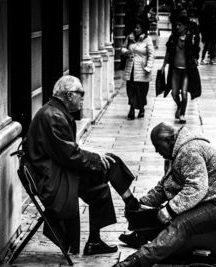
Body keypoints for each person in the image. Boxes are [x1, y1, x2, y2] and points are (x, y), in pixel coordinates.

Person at [111, 122, 216, 267]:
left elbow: (197, 188)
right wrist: (142, 204)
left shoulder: (189, 151)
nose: (156, 150)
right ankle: (141, 236)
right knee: (163, 212)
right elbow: (165, 187)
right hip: (213, 201)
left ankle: (137, 261)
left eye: (157, 145)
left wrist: (170, 210)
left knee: (182, 223)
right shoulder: (175, 153)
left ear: (169, 140)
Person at [23, 75, 140, 256]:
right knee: (107, 168)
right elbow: (69, 154)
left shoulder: (54, 112)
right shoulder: (53, 115)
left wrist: (96, 158)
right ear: (69, 95)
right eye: (81, 94)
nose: (83, 98)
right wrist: (95, 159)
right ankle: (131, 205)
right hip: (54, 178)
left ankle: (102, 233)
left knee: (106, 171)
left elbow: (67, 151)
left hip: (59, 170)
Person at [161, 14, 201, 124]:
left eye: (179, 25)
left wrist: (196, 58)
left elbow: (197, 50)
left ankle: (182, 114)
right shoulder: (173, 38)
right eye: (176, 25)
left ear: (185, 26)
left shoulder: (191, 38)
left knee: (184, 92)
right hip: (175, 70)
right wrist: (164, 65)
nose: (177, 27)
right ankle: (179, 106)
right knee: (174, 93)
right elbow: (168, 52)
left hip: (187, 70)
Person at [121, 19, 155, 120]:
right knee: (130, 89)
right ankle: (131, 109)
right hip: (130, 68)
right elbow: (122, 48)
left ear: (143, 28)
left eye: (138, 28)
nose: (136, 29)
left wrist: (148, 67)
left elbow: (151, 54)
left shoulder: (147, 39)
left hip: (142, 70)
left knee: (141, 91)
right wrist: (126, 52)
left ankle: (141, 108)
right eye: (135, 27)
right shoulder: (130, 37)